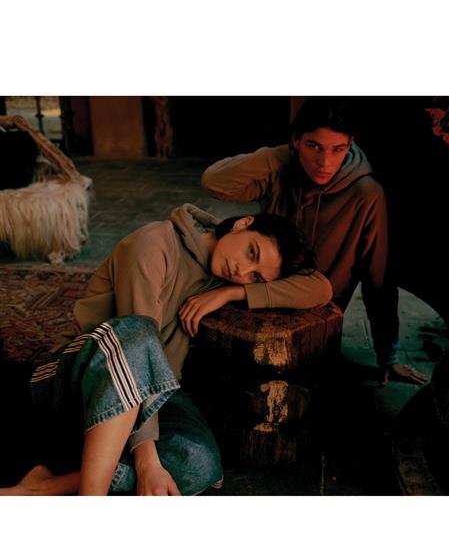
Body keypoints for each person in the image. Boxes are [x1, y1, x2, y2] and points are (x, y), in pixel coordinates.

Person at [0, 203, 331, 496]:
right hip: (78, 376)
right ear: (243, 224)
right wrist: (147, 462)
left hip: (154, 391)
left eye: (256, 277)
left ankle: (48, 486)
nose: (242, 271)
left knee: (200, 464)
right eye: (251, 253)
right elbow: (135, 346)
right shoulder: (155, 242)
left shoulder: (227, 279)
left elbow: (320, 287)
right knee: (139, 332)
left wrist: (232, 294)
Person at [201, 97, 427, 386]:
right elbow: (215, 182)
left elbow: (378, 277)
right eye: (314, 146)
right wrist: (283, 154)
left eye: (338, 149)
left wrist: (388, 356)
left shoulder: (366, 194)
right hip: (253, 297)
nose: (325, 163)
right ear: (296, 140)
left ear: (350, 144)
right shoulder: (283, 170)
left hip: (313, 315)